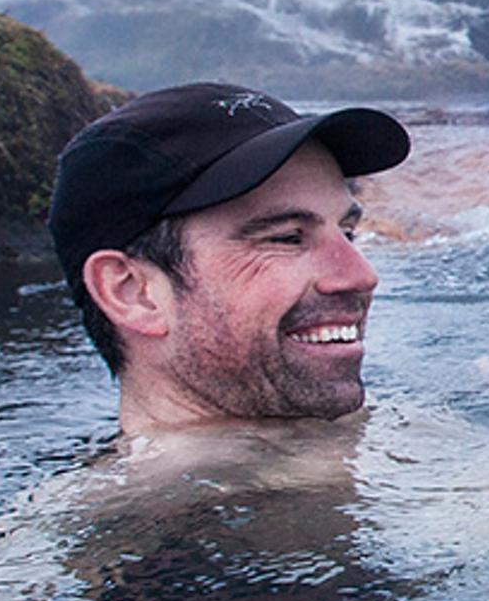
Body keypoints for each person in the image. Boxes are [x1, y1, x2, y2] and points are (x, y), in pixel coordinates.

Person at [48, 82, 415, 433]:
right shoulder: (148, 498)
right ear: (133, 292)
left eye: (347, 233)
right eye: (287, 238)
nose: (361, 275)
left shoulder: (401, 436)